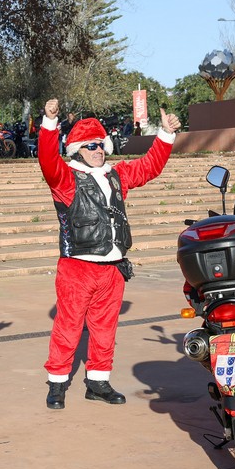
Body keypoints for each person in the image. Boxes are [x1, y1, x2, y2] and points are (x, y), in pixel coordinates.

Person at [38, 98, 181, 409]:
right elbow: (48, 161)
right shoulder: (66, 178)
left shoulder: (117, 174)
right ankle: (57, 383)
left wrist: (165, 134)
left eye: (100, 145)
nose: (97, 150)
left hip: (113, 266)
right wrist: (49, 124)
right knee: (69, 324)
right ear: (77, 150)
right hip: (78, 266)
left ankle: (98, 381)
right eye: (90, 146)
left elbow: (149, 167)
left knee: (105, 327)